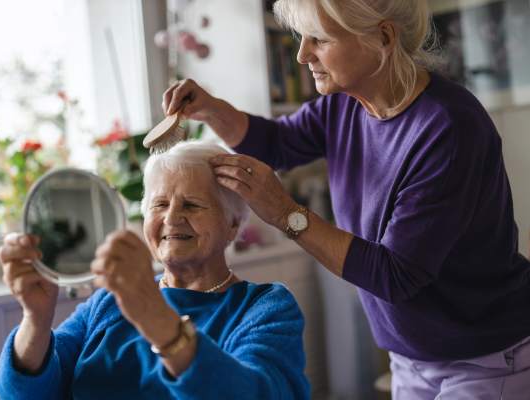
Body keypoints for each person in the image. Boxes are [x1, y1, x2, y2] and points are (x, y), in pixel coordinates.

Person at [161, 0, 530, 398]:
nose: (302, 55)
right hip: (410, 357)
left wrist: (285, 213)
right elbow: (278, 143)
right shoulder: (343, 104)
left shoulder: (449, 128)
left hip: (487, 357)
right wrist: (212, 110)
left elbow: (395, 275)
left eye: (318, 38)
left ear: (383, 37)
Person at [0, 142, 310, 400]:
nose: (172, 218)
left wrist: (153, 315)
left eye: (192, 205)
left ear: (232, 224)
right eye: (159, 205)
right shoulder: (107, 303)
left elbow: (258, 394)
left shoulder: (265, 308)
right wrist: (35, 318)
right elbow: (23, 392)